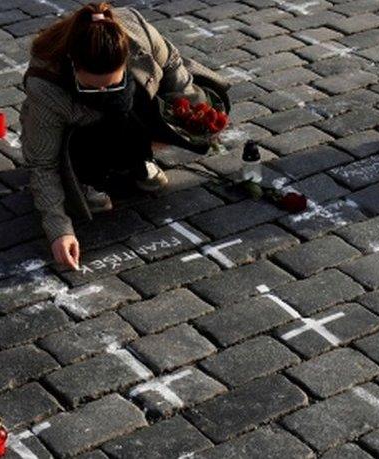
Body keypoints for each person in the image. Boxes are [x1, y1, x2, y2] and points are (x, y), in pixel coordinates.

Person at [20, 2, 230, 270]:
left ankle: (136, 161)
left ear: (126, 59)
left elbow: (174, 67)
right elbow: (42, 163)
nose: (105, 90)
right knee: (95, 129)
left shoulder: (136, 32)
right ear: (74, 66)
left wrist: (196, 117)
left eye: (113, 82)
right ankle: (86, 177)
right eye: (93, 86)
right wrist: (59, 229)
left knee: (163, 104)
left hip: (129, 114)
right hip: (79, 136)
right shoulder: (45, 84)